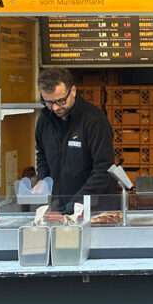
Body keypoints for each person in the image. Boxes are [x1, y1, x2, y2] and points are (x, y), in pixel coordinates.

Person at [33, 67, 115, 212]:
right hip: (58, 205)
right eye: (49, 102)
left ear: (73, 91)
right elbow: (42, 155)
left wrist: (76, 204)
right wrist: (43, 180)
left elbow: (104, 169)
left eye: (61, 101)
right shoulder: (44, 121)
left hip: (93, 207)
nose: (56, 108)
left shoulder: (94, 120)